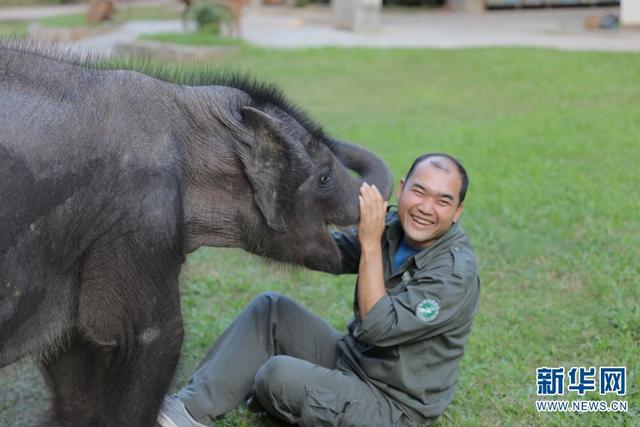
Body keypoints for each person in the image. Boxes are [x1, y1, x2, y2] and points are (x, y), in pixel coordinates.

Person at [158, 153, 480, 427]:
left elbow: (377, 326)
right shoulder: (392, 227)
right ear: (401, 189)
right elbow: (327, 252)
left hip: (393, 405)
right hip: (354, 360)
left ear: (457, 212)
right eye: (419, 192)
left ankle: (274, 393)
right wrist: (255, 220)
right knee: (270, 309)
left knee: (277, 376)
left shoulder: (454, 274)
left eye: (443, 201)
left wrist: (370, 242)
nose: (426, 207)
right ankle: (187, 412)